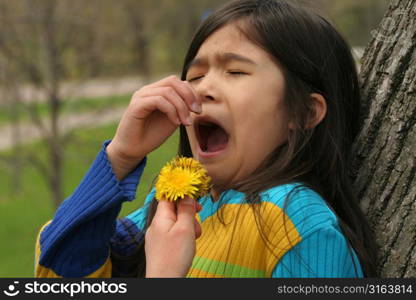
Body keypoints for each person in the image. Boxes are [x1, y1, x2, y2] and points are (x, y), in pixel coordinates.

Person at [35, 0, 378, 278]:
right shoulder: (174, 206)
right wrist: (121, 155)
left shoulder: (297, 222)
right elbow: (63, 271)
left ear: (303, 113)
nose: (203, 90)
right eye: (195, 75)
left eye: (235, 72)